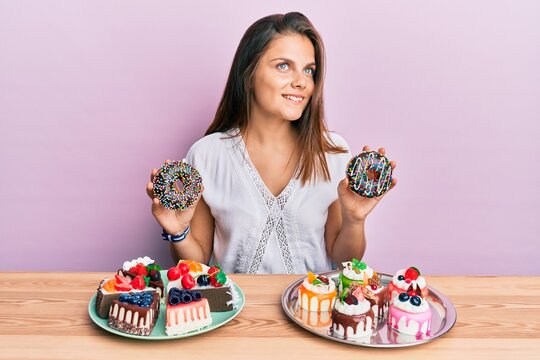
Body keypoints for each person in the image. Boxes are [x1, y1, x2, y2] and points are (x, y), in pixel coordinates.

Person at [146, 12, 396, 274]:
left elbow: (343, 261)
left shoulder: (332, 153)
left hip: (312, 310)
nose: (301, 82)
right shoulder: (207, 155)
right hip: (236, 311)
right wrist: (178, 232)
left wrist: (355, 221)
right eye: (283, 66)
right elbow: (196, 266)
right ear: (249, 73)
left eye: (309, 70)